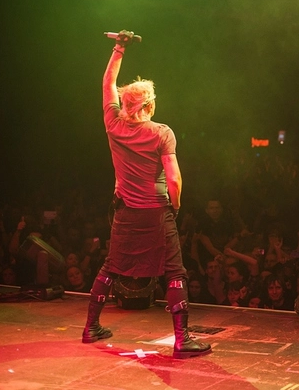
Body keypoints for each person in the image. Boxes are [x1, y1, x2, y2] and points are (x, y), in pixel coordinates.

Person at [81, 30, 210, 359]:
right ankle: (182, 339)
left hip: (125, 212)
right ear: (150, 106)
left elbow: (107, 83)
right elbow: (174, 179)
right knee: (174, 271)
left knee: (111, 267)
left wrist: (119, 49)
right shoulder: (161, 133)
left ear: (124, 104)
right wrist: (174, 207)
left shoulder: (113, 124)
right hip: (156, 212)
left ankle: (91, 326)